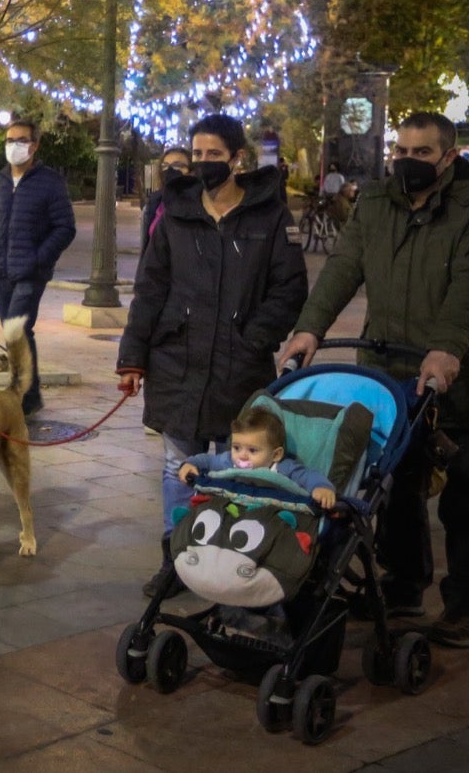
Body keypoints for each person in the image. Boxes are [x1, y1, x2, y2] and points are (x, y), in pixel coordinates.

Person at [277, 111, 469, 648]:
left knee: (468, 495)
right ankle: (403, 585)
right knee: (394, 489)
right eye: (401, 151)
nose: (408, 162)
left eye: (422, 153)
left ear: (449, 157)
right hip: (387, 375)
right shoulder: (377, 202)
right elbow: (342, 266)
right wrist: (309, 329)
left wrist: (447, 350)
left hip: (456, 378)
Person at [117, 112, 308, 599]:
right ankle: (177, 560)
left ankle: (227, 562)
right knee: (177, 466)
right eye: (196, 154)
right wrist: (132, 356)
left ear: (236, 159)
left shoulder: (268, 215)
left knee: (233, 471)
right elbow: (150, 287)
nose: (202, 164)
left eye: (213, 156)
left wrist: (254, 338)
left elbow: (289, 289)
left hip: (237, 367)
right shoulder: (174, 212)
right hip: (176, 363)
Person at [0, 118, 78, 416]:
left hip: (30, 272)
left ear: (34, 145)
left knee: (16, 330)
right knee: (17, 332)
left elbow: (65, 227)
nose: (14, 146)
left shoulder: (49, 182)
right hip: (1, 269)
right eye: (9, 140)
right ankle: (29, 393)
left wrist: (39, 259)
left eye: (21, 140)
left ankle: (19, 393)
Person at [177, 405, 336, 509]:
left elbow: (308, 476)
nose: (242, 455)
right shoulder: (228, 462)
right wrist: (190, 464)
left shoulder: (283, 468)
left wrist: (321, 487)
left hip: (270, 517)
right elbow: (208, 460)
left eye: (252, 450)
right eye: (236, 447)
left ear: (276, 454)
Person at [140, 146, 191, 254]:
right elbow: (146, 248)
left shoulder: (201, 204)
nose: (170, 170)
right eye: (165, 166)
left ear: (191, 171)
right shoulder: (154, 204)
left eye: (177, 165)